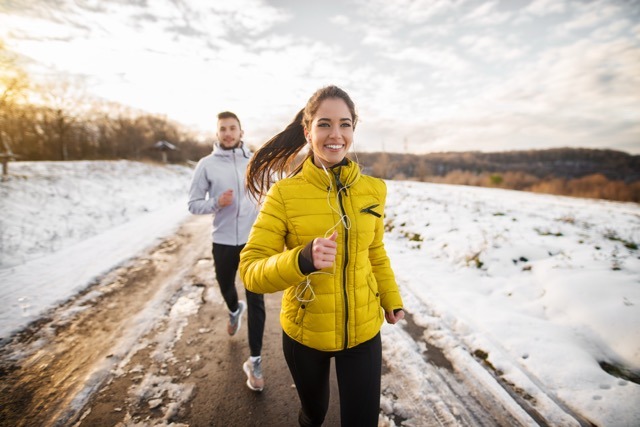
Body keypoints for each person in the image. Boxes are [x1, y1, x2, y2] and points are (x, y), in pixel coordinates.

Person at [239, 86, 405, 426]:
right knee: (314, 414)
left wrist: (390, 296)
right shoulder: (284, 195)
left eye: (345, 124)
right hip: (306, 334)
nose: (336, 134)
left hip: (363, 331)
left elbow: (374, 250)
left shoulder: (374, 190)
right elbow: (251, 271)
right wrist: (301, 259)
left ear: (353, 130)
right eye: (324, 124)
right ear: (307, 130)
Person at [188, 111, 266, 392]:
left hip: (252, 242)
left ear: (241, 132)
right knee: (226, 287)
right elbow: (194, 204)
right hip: (222, 240)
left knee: (257, 300)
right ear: (217, 133)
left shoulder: (254, 161)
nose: (228, 133)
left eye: (233, 128)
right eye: (223, 129)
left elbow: (266, 194)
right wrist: (217, 203)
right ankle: (234, 310)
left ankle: (255, 361)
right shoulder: (206, 165)